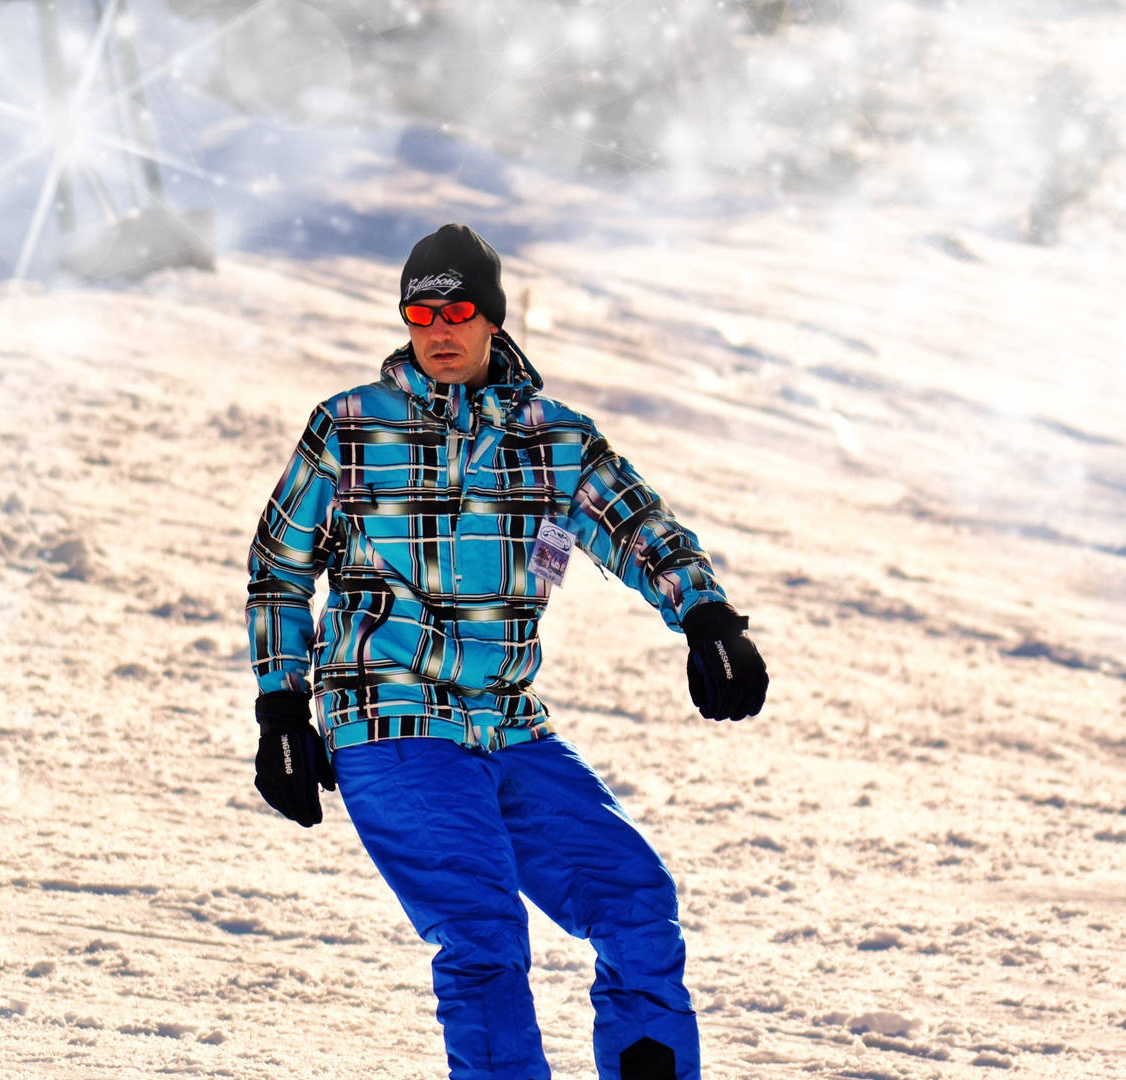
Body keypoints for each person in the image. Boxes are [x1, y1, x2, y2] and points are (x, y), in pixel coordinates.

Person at [244, 223, 768, 1080]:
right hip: (390, 721)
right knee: (485, 938)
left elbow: (642, 529)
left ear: (492, 317)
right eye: (421, 311)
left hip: (511, 728)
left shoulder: (554, 440)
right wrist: (281, 710)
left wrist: (709, 619)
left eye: (456, 309)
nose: (438, 329)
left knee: (636, 908)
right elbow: (280, 566)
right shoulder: (347, 429)